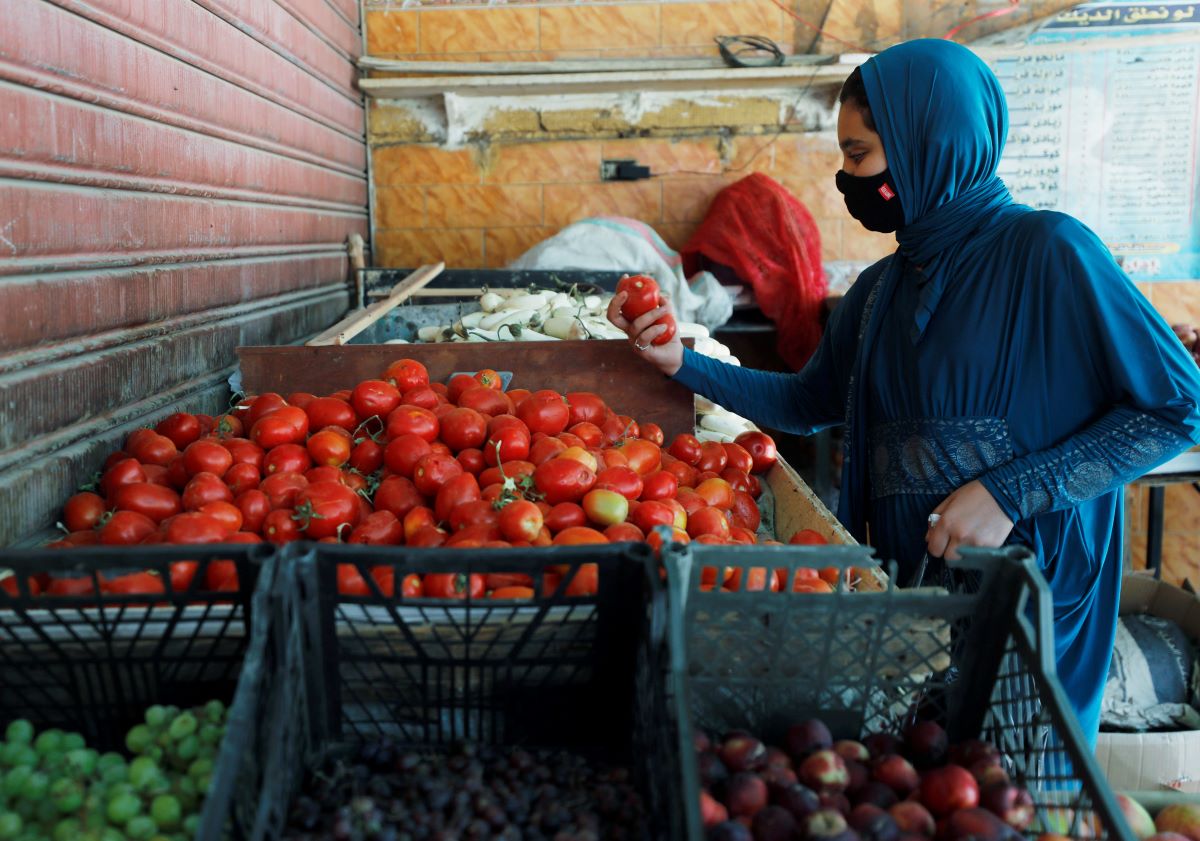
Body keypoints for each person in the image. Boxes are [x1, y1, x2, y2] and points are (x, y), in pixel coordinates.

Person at [606, 38, 1200, 747]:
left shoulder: (1050, 253)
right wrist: (682, 363)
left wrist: (1011, 492)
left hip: (1031, 611)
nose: (844, 177)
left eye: (858, 155)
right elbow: (806, 402)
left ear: (930, 142)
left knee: (1009, 792)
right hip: (912, 614)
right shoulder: (881, 290)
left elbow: (1178, 406)